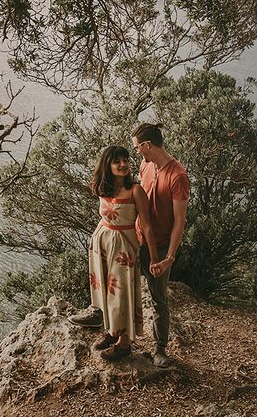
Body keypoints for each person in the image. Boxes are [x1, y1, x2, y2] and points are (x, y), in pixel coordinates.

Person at [69, 145, 159, 360]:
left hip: (124, 247)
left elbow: (146, 226)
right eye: (117, 161)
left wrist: (154, 257)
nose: (123, 165)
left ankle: (124, 343)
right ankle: (112, 331)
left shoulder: (135, 190)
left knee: (121, 294)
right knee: (106, 291)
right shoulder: (104, 187)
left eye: (126, 160)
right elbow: (107, 215)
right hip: (103, 243)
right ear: (107, 166)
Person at [132, 122, 190, 368]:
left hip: (161, 248)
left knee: (159, 299)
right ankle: (120, 337)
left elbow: (180, 222)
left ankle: (159, 349)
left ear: (146, 145)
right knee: (123, 289)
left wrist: (169, 257)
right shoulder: (145, 165)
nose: (136, 152)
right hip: (137, 241)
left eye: (137, 148)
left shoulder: (178, 176)